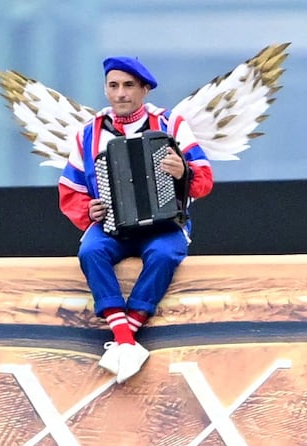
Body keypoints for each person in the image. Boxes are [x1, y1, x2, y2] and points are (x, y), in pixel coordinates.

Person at [58, 57, 211, 378]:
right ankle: (126, 341)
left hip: (164, 223)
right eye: (113, 86)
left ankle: (125, 334)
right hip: (111, 225)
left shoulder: (171, 125)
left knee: (164, 253)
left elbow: (204, 178)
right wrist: (89, 210)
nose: (120, 94)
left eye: (128, 86)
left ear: (144, 89)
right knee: (91, 251)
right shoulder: (86, 134)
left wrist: (183, 171)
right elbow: (70, 190)